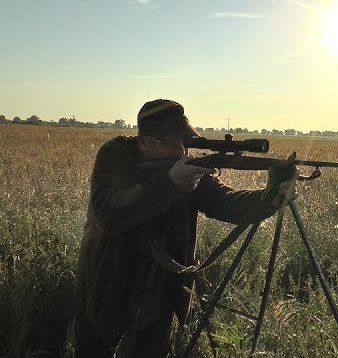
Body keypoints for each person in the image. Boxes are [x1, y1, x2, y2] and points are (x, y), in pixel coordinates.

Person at [75, 99, 297, 358]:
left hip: (159, 290)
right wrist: (170, 183)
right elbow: (109, 216)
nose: (182, 151)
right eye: (172, 143)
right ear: (145, 143)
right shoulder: (115, 155)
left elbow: (224, 203)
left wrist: (269, 198)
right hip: (108, 281)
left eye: (186, 142)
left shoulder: (185, 168)